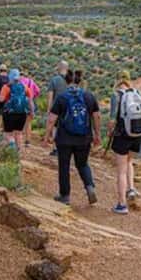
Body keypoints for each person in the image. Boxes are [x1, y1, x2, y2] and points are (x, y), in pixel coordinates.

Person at [43, 69, 101, 207]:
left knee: (64, 165)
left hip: (64, 139)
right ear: (80, 81)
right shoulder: (89, 96)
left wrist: (47, 136)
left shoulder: (62, 97)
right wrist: (97, 134)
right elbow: (97, 116)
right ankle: (90, 187)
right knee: (82, 164)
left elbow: (51, 119)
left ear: (66, 81)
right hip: (84, 138)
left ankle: (65, 196)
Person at [107, 70, 141, 215]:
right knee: (129, 161)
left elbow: (112, 119)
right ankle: (131, 189)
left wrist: (109, 132)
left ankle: (122, 205)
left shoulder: (116, 95)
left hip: (122, 135)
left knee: (121, 170)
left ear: (117, 79)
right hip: (138, 134)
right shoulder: (137, 92)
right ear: (129, 79)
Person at [0, 68, 34, 150]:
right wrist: (32, 112)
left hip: (9, 114)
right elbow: (30, 100)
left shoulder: (6, 87)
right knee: (19, 133)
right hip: (22, 114)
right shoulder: (24, 87)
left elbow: (1, 99)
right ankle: (18, 150)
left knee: (8, 134)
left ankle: (12, 143)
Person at [46, 61, 69, 156]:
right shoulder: (71, 80)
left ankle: (55, 148)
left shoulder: (54, 80)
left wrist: (49, 109)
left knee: (55, 128)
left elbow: (50, 96)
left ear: (59, 68)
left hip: (57, 108)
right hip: (69, 108)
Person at [19, 72, 42, 147]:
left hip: (21, 103)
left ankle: (19, 140)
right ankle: (27, 141)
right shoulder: (31, 81)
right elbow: (38, 91)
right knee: (28, 123)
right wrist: (33, 95)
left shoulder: (19, 81)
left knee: (20, 122)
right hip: (30, 102)